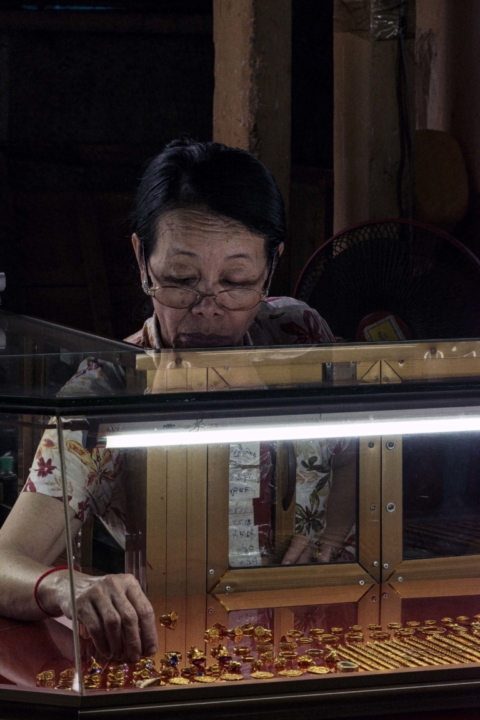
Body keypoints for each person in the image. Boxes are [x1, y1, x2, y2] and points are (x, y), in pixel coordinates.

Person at [0, 139, 355, 664]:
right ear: (142, 260)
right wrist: (65, 587)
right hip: (185, 652)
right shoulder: (109, 391)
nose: (208, 308)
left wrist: (335, 523)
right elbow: (6, 558)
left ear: (271, 267)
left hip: (325, 642)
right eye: (182, 280)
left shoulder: (298, 333)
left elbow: (353, 450)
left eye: (236, 281)